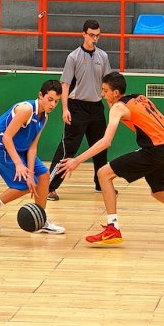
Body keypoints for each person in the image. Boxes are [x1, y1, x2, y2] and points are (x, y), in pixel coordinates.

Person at [57, 72, 164, 245]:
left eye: (105, 90)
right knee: (158, 192)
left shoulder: (118, 107)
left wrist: (77, 160)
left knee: (103, 174)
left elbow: (106, 141)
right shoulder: (141, 98)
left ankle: (113, 229)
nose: (102, 94)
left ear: (116, 93)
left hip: (156, 150)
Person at [0, 80, 65, 235]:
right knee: (25, 185)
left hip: (21, 149)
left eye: (56, 102)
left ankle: (41, 219)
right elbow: (7, 137)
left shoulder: (44, 118)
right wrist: (19, 165)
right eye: (50, 99)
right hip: (0, 147)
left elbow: (32, 147)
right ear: (40, 95)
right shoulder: (26, 110)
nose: (52, 105)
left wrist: (30, 173)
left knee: (42, 177)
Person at [47, 19, 111, 200]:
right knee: (68, 149)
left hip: (96, 108)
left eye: (98, 35)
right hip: (77, 108)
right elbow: (65, 85)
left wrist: (112, 108)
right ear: (83, 34)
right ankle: (50, 187)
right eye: (92, 35)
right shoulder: (73, 57)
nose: (95, 39)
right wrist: (65, 109)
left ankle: (101, 184)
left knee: (100, 148)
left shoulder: (103, 57)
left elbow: (107, 85)